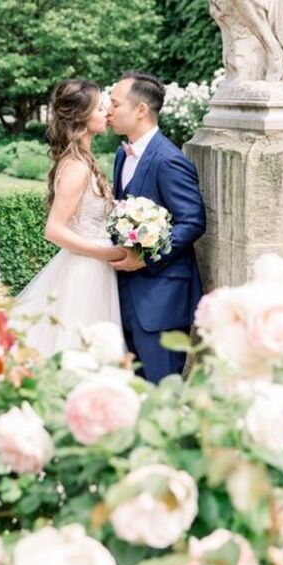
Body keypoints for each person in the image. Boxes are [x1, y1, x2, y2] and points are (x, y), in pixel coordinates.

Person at [15, 79, 126, 356]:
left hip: (95, 268)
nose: (106, 113)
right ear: (81, 116)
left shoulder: (84, 159)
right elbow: (54, 229)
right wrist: (107, 253)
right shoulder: (77, 166)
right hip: (85, 272)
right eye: (99, 108)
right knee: (80, 348)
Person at [108, 71, 205, 383]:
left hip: (161, 300)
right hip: (125, 295)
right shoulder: (122, 156)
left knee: (163, 392)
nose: (108, 110)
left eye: (115, 103)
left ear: (140, 110)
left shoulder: (169, 160)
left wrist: (146, 256)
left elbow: (193, 221)